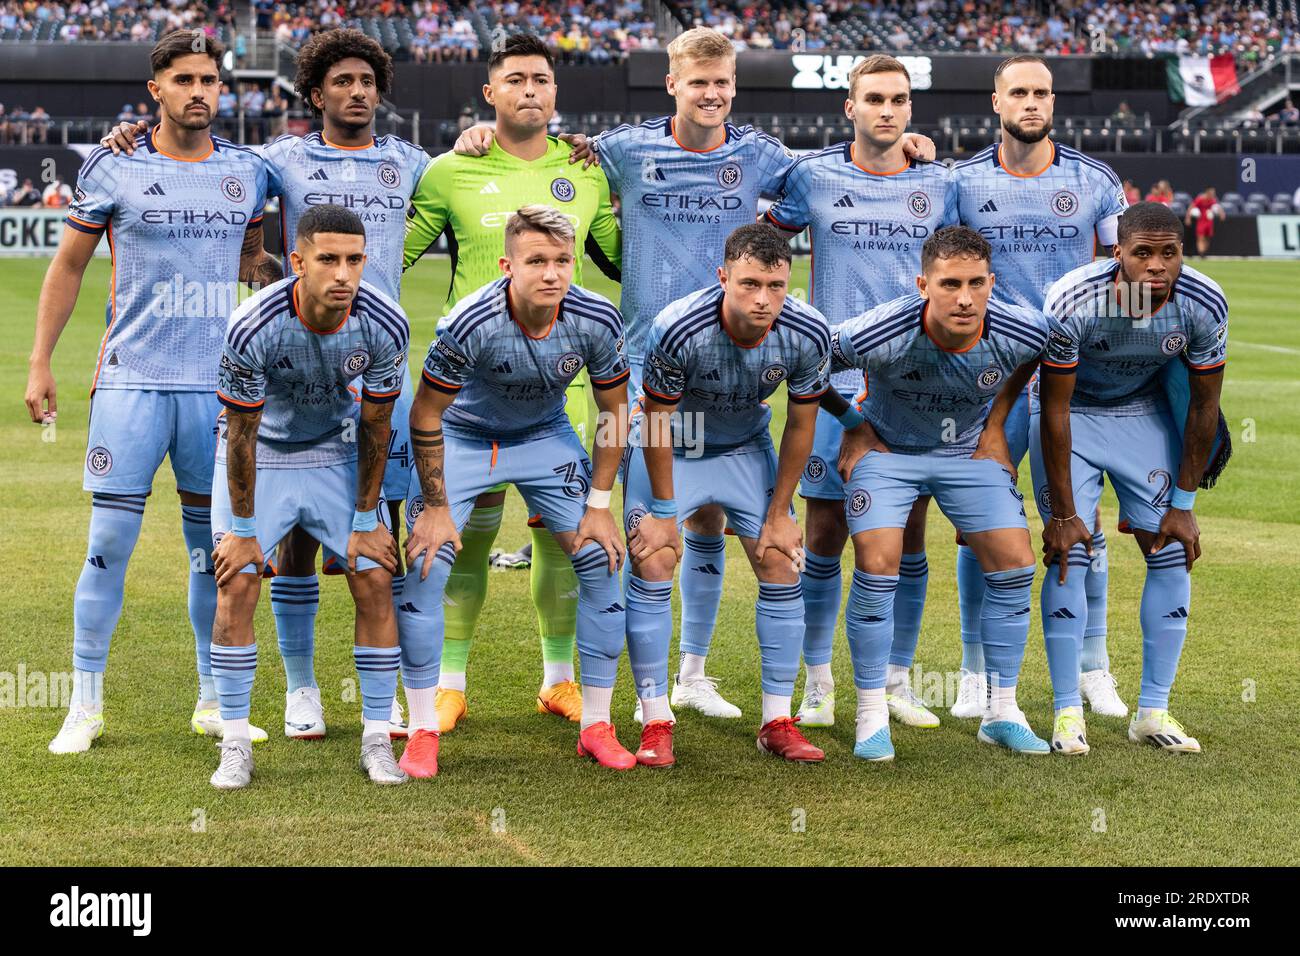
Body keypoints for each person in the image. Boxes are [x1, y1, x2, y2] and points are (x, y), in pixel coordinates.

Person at [455, 27, 938, 722]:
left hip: (731, 363)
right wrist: (481, 134)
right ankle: (614, 697)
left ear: (734, 87)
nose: (711, 94)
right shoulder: (625, 149)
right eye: (698, 82)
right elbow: (537, 150)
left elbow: (840, 168)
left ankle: (691, 674)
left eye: (722, 83)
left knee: (709, 515)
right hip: (642, 366)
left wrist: (906, 146)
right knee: (642, 533)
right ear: (674, 84)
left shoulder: (763, 156)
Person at [99, 28, 431, 743]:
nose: (357, 92)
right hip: (292, 371)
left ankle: (393, 693)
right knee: (299, 545)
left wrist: (479, 147)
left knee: (380, 535)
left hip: (375, 367)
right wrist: (133, 134)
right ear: (315, 94)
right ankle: (304, 688)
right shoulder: (278, 159)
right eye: (341, 82)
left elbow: (465, 201)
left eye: (368, 81)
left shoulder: (412, 163)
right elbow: (219, 186)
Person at [28, 30, 278, 755]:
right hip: (132, 381)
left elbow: (253, 261)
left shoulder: (248, 173)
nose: (200, 91)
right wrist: (40, 362)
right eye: (184, 79)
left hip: (221, 394)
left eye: (210, 79)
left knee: (213, 552)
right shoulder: (115, 165)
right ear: (156, 91)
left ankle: (210, 699)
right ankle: (85, 703)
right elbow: (69, 267)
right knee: (108, 542)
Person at [404, 33, 622, 733]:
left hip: (562, 389)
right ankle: (449, 682)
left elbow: (625, 258)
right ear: (489, 93)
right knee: (461, 534)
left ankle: (559, 679)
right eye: (516, 79)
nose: (530, 89)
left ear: (556, 93)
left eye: (542, 79)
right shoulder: (447, 171)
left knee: (563, 536)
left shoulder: (587, 169)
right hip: (464, 391)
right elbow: (390, 256)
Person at [397, 206, 630, 775]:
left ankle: (597, 723)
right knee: (427, 563)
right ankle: (423, 727)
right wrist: (433, 506)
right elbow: (427, 412)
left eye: (561, 260)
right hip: (465, 436)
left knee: (601, 558)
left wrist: (599, 507)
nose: (552, 274)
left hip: (543, 436)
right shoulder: (469, 322)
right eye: (536, 261)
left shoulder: (596, 318)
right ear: (507, 265)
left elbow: (615, 411)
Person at [765, 53, 957, 731]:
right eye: (873, 98)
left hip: (910, 390)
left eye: (898, 100)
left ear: (910, 110)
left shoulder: (940, 185)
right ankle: (817, 685)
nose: (887, 109)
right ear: (849, 108)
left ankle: (895, 681)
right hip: (830, 384)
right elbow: (764, 243)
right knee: (823, 535)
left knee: (907, 537)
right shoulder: (813, 177)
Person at [822, 226, 1049, 758]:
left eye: (976, 283)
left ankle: (1001, 710)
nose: (965, 298)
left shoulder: (1022, 330)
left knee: (1016, 563)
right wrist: (853, 425)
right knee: (879, 563)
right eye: (950, 284)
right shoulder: (880, 332)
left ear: (993, 282)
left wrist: (996, 427)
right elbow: (808, 363)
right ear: (923, 284)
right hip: (888, 453)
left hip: (966, 453)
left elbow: (1038, 355)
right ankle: (872, 714)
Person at [208, 204, 410, 788]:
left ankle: (377, 738)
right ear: (297, 262)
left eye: (353, 260)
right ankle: (236, 740)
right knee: (236, 582)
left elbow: (376, 426)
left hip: (333, 450)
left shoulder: (384, 322)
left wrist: (368, 518)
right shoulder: (254, 323)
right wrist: (244, 533)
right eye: (327, 260)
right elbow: (240, 433)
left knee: (373, 572)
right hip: (261, 452)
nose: (343, 274)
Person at [952, 53, 1129, 720]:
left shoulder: (1095, 181)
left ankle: (1093, 667)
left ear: (1053, 103)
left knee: (1082, 520)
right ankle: (974, 669)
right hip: (987, 376)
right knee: (980, 524)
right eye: (1018, 92)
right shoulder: (962, 182)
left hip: (1068, 374)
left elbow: (1126, 277)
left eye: (1042, 92)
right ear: (996, 103)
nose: (1031, 102)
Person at [624, 224, 831, 767]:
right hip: (676, 445)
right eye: (749, 284)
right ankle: (654, 719)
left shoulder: (808, 332)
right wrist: (665, 513)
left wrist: (782, 511)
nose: (763, 299)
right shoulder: (677, 328)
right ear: (723, 278)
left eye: (776, 285)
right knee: (654, 557)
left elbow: (800, 427)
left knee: (782, 561)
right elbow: (657, 423)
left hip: (743, 445)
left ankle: (776, 720)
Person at [1035, 202, 1227, 754]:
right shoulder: (1075, 300)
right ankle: (1067, 710)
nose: (1157, 266)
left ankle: (1153, 711)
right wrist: (1066, 515)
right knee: (1071, 550)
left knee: (1170, 548)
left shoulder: (1204, 301)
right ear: (1117, 253)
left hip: (1139, 413)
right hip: (1070, 416)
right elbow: (1054, 410)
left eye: (1170, 253)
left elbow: (1203, 406)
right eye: (1143, 253)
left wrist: (1184, 500)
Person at [1186, 186, 1225, 257]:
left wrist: (1222, 214)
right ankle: (1201, 253)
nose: (1213, 194)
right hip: (1201, 221)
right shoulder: (1200, 199)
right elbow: (1191, 206)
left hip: (1209, 222)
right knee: (1201, 237)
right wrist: (1188, 218)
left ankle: (1204, 252)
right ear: (1207, 192)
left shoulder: (1213, 200)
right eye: (1212, 193)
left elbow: (1218, 207)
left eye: (1214, 193)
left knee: (1207, 238)